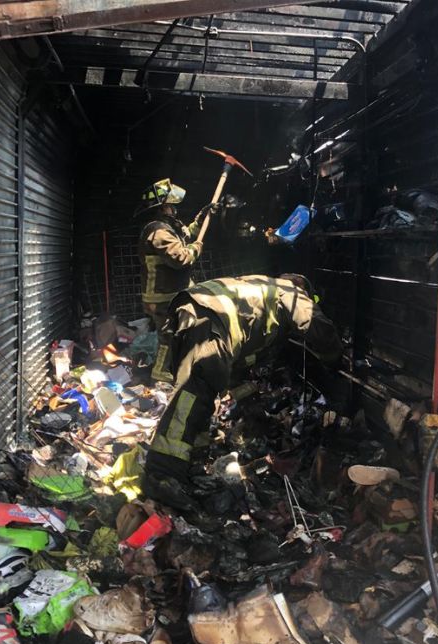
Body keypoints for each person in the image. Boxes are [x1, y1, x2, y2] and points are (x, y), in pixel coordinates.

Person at [143, 274, 342, 511]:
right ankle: (162, 476)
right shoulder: (290, 291)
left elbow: (237, 363)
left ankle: (191, 466)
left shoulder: (258, 292)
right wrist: (335, 360)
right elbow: (316, 325)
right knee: (192, 397)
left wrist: (249, 403)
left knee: (199, 398)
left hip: (191, 309)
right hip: (210, 318)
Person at [136, 179, 220, 329]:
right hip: (162, 300)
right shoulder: (158, 232)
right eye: (170, 205)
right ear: (162, 208)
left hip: (172, 293)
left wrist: (201, 219)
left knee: (183, 335)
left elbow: (187, 235)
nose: (173, 209)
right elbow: (181, 258)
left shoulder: (166, 227)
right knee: (169, 341)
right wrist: (196, 248)